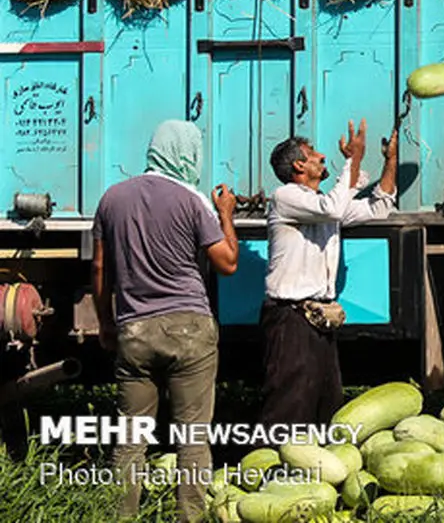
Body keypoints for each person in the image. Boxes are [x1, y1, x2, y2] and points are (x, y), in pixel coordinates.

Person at [91, 120, 239, 523]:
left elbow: (100, 267)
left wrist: (106, 322)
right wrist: (226, 215)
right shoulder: (192, 200)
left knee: (130, 440)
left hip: (134, 329)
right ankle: (189, 517)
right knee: (192, 438)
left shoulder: (112, 198)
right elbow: (227, 263)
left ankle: (121, 517)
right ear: (188, 154)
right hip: (190, 330)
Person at [259, 120, 398, 428]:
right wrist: (354, 158)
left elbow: (379, 206)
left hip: (318, 317)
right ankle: (271, 457)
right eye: (313, 154)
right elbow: (332, 208)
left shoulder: (321, 204)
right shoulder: (286, 196)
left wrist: (390, 161)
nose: (323, 156)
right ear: (299, 165)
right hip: (290, 318)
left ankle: (319, 456)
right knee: (288, 403)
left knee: (326, 401)